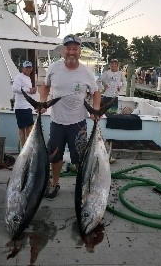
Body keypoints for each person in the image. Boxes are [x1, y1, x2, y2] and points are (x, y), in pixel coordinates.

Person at [38, 34, 101, 200]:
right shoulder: (53, 68)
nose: (71, 52)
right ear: (63, 50)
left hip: (78, 124)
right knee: (55, 157)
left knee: (80, 158)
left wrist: (95, 110)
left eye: (75, 48)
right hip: (57, 123)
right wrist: (42, 102)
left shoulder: (87, 72)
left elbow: (95, 93)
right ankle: (54, 183)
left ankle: (81, 186)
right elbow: (45, 87)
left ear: (79, 51)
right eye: (68, 48)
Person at [97, 59, 126, 164]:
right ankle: (105, 131)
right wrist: (103, 86)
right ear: (110, 65)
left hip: (115, 97)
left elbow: (125, 83)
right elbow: (98, 81)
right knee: (105, 114)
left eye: (115, 64)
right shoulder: (106, 73)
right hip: (106, 96)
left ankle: (111, 134)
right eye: (112, 64)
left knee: (113, 115)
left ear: (118, 65)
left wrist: (120, 88)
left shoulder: (120, 74)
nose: (114, 66)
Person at [12, 61, 36, 148]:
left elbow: (25, 90)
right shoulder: (19, 77)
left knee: (28, 128)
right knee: (25, 128)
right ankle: (24, 148)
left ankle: (26, 147)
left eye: (30, 67)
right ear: (23, 68)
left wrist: (32, 91)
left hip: (27, 106)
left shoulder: (28, 78)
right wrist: (29, 90)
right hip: (21, 107)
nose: (29, 69)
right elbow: (14, 88)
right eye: (27, 67)